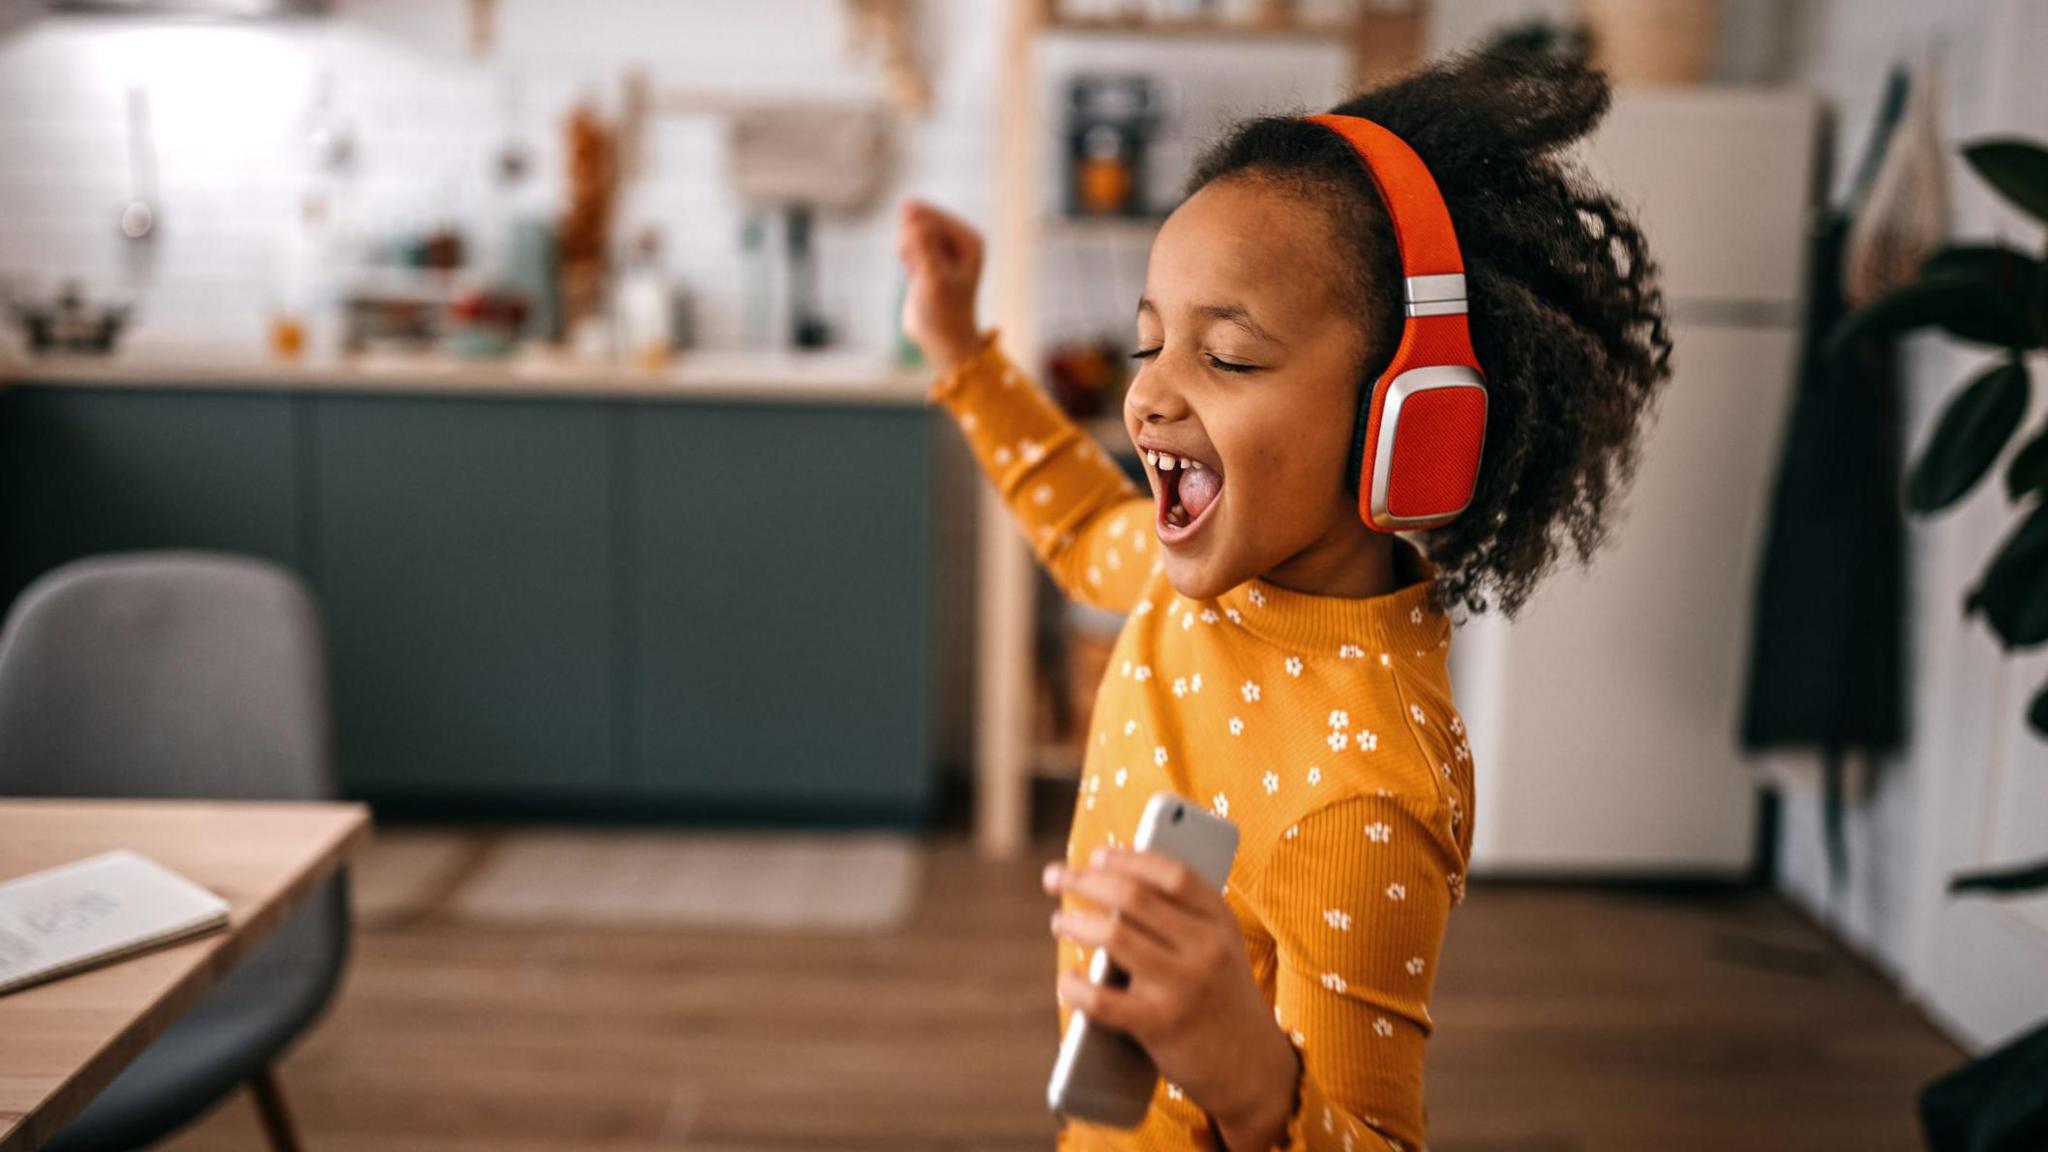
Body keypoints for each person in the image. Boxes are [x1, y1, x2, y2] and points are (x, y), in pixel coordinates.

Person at [896, 45, 1671, 1152]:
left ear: (1407, 419)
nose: (1150, 392)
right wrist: (959, 347)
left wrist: (1250, 1078)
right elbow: (1076, 531)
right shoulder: (1194, 587)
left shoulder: (1363, 798)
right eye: (1148, 340)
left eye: (1227, 358)